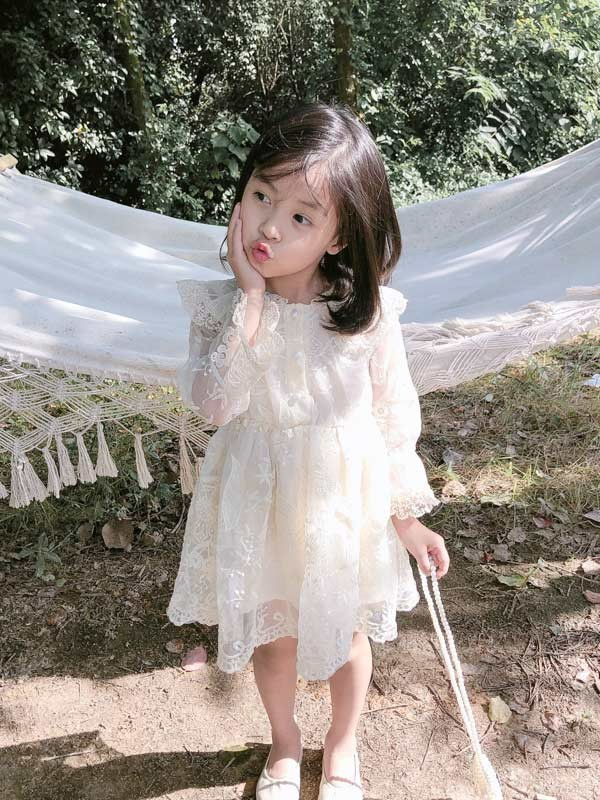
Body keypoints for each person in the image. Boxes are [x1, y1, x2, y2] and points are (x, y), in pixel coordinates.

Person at [167, 101, 450, 800]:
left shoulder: (366, 316)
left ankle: (342, 742)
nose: (269, 225)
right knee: (275, 641)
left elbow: (392, 419)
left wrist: (408, 519)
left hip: (340, 508)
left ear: (337, 235)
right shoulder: (223, 309)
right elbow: (214, 405)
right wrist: (251, 300)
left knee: (347, 636)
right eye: (262, 195)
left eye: (300, 215)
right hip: (259, 504)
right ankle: (285, 742)